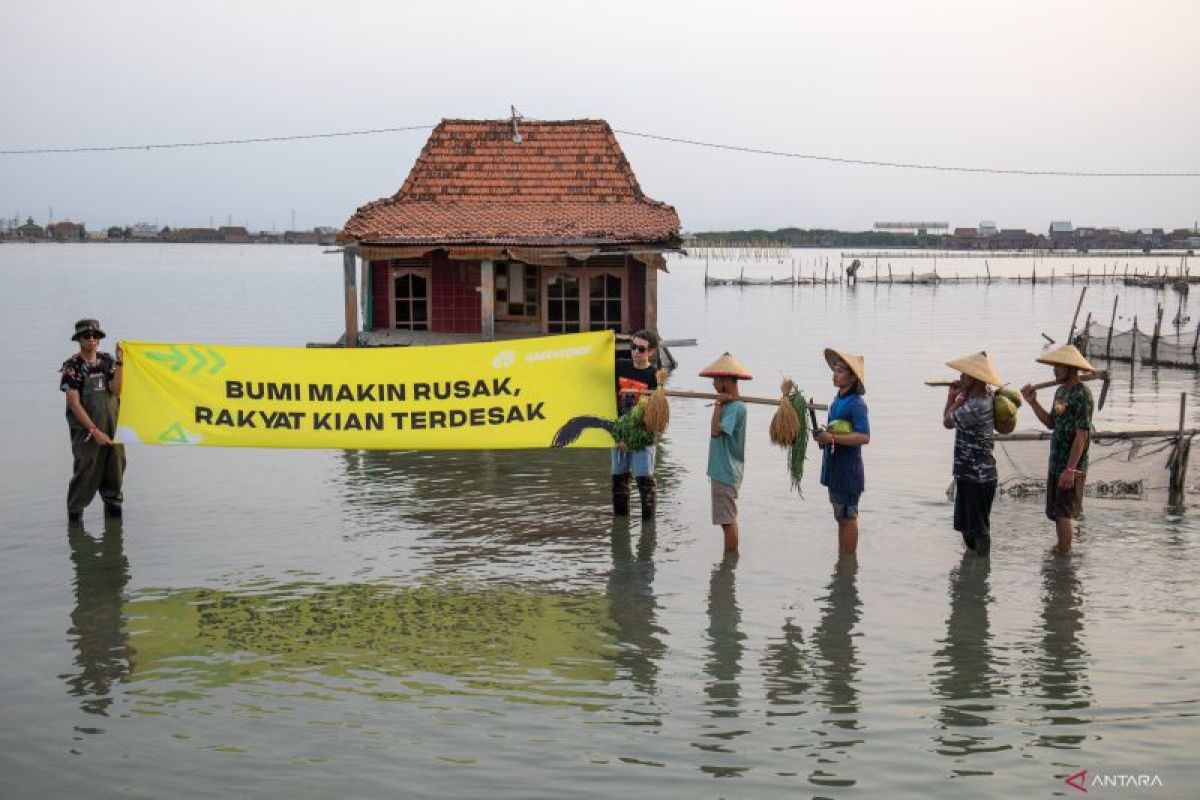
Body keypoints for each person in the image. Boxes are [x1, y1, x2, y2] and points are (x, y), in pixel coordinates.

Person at [1020, 344, 1095, 555]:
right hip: (1056, 461)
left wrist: (1070, 470)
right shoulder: (1061, 391)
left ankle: (1065, 557)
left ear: (1071, 368)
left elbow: (1082, 434)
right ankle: (1061, 552)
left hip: (1072, 465)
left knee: (1064, 514)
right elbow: (1051, 423)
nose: (1055, 370)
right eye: (1054, 366)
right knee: (1055, 512)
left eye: (1059, 366)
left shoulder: (1083, 395)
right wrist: (1033, 402)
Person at [60, 318, 125, 521]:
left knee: (116, 471)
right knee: (86, 471)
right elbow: (74, 403)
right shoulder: (72, 367)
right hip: (86, 432)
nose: (91, 339)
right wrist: (94, 431)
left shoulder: (108, 362)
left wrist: (121, 361)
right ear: (78, 339)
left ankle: (114, 525)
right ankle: (75, 522)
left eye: (95, 336)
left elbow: (117, 389)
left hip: (113, 427)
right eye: (86, 336)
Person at [942, 351, 1002, 557]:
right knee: (965, 528)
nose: (960, 378)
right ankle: (971, 571)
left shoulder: (978, 405)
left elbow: (947, 421)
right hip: (967, 473)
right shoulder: (978, 398)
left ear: (976, 378)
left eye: (964, 375)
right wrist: (962, 396)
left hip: (979, 476)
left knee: (979, 530)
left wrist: (953, 398)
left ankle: (981, 572)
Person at [816, 348, 870, 555]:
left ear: (852, 377)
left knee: (848, 516)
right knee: (840, 516)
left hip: (849, 471)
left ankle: (848, 563)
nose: (834, 374)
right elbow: (833, 435)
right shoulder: (836, 402)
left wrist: (831, 438)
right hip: (834, 468)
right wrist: (823, 438)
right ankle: (843, 565)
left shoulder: (857, 404)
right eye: (834, 370)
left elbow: (864, 436)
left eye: (839, 371)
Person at [700, 352, 750, 552]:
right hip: (723, 471)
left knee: (728, 521)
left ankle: (730, 562)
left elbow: (715, 432)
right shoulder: (731, 406)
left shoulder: (736, 407)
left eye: (716, 379)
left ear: (726, 381)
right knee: (725, 520)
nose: (713, 384)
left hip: (726, 471)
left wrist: (718, 404)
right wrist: (721, 404)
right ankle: (728, 567)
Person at [611, 329, 660, 519]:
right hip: (619, 432)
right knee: (619, 483)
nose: (636, 352)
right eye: (633, 347)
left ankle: (648, 532)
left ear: (652, 351)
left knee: (644, 483)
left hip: (642, 434)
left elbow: (654, 415)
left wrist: (632, 438)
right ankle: (620, 527)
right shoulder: (619, 367)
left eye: (641, 348)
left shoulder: (655, 376)